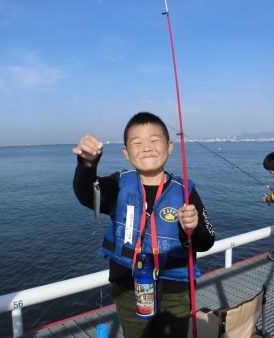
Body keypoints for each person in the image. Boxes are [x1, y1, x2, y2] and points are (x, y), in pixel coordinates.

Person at [72, 112, 215, 338]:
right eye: (137, 143)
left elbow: (206, 241)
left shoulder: (186, 191)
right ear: (126, 153)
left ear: (170, 147)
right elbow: (86, 192)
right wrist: (87, 164)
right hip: (128, 288)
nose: (147, 147)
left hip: (176, 289)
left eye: (154, 140)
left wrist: (194, 226)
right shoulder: (118, 185)